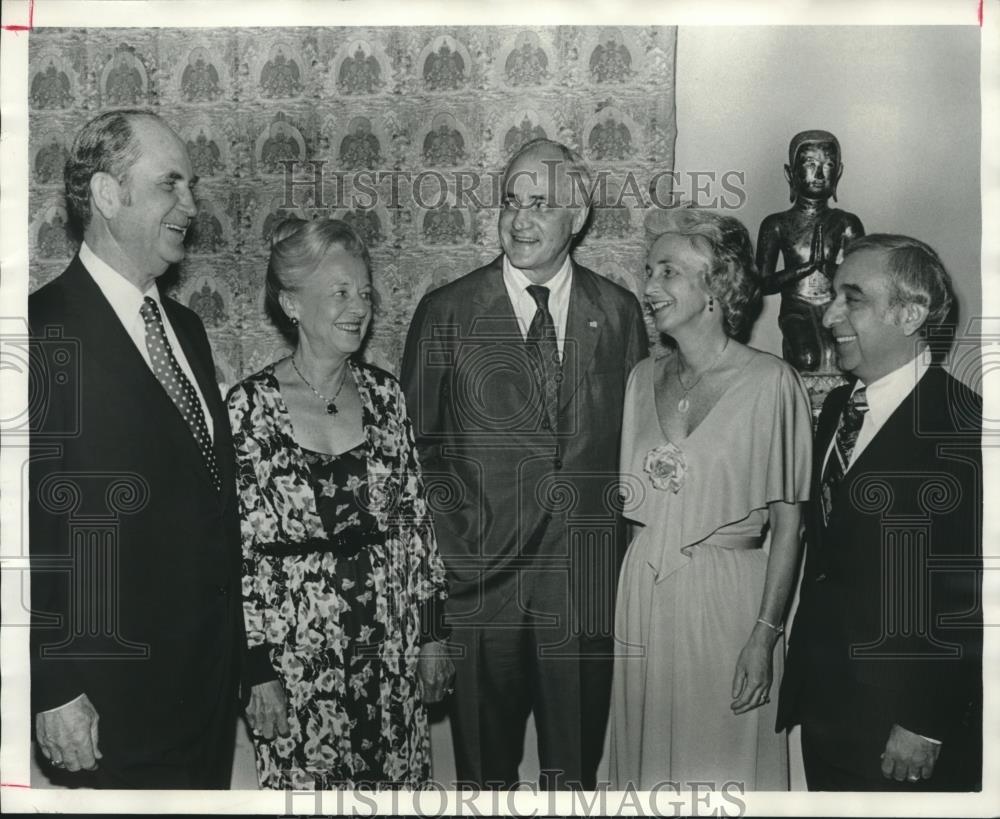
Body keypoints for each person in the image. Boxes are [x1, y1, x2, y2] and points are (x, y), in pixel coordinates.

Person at [401, 139, 647, 789]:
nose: (520, 220)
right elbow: (414, 466)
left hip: (582, 595)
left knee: (573, 781)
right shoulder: (447, 313)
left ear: (580, 213)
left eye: (540, 204)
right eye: (511, 201)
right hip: (480, 598)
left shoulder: (619, 316)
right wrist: (437, 603)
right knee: (485, 781)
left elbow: (634, 459)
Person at [28, 110, 244, 788]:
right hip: (107, 704)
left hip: (206, 689)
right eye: (169, 185)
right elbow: (26, 528)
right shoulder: (38, 331)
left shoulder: (185, 328)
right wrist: (53, 685)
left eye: (192, 186)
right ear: (107, 194)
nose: (190, 204)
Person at [228, 218, 451, 789]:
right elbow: (237, 553)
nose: (359, 307)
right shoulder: (249, 408)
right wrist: (255, 671)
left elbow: (413, 527)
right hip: (297, 664)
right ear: (291, 303)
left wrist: (432, 635)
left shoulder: (384, 395)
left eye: (364, 292)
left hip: (390, 650)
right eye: (340, 292)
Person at [609, 209, 812, 790]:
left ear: (716, 287)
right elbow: (634, 514)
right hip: (643, 597)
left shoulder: (772, 383)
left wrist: (765, 635)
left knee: (720, 767)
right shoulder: (640, 379)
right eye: (648, 270)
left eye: (668, 271)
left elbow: (790, 525)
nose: (649, 286)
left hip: (727, 605)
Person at [777, 234, 982, 791]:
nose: (829, 311)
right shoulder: (839, 408)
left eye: (852, 298)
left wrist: (925, 723)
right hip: (827, 705)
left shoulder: (963, 428)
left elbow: (968, 598)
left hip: (902, 726)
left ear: (911, 314)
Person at [757, 130, 865, 372]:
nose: (819, 173)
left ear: (838, 172)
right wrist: (803, 269)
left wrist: (829, 269)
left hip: (834, 305)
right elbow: (762, 283)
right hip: (796, 307)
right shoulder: (776, 224)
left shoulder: (846, 223)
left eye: (828, 165)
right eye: (810, 164)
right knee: (807, 359)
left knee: (843, 360)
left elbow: (861, 283)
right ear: (790, 173)